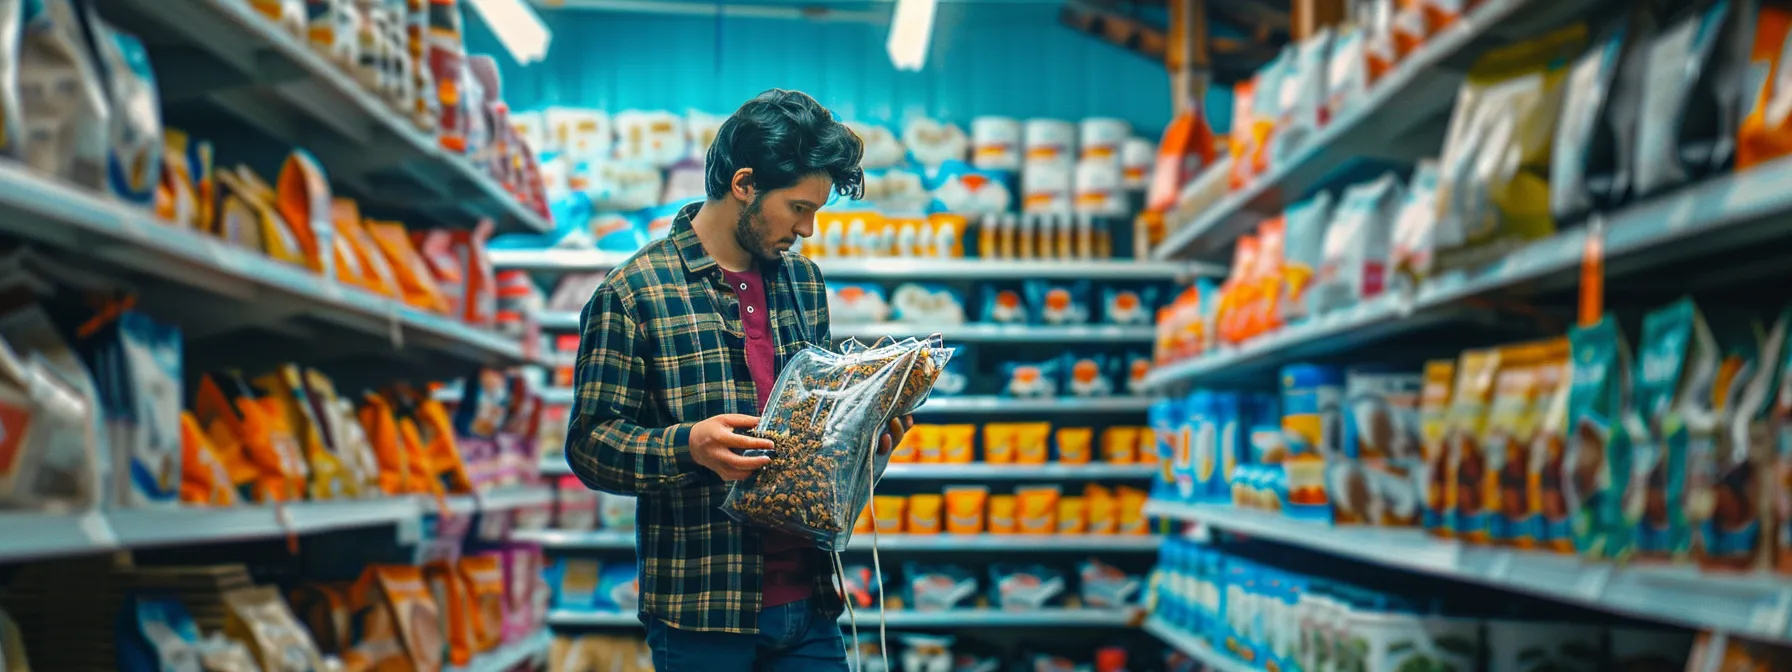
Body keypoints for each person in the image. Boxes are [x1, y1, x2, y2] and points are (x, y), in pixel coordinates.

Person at [565, 88, 911, 671]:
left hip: (812, 603)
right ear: (745, 184)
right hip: (703, 611)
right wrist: (689, 446)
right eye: (799, 208)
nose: (807, 229)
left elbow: (815, 422)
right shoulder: (632, 293)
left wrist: (862, 434)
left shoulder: (804, 283)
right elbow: (590, 444)